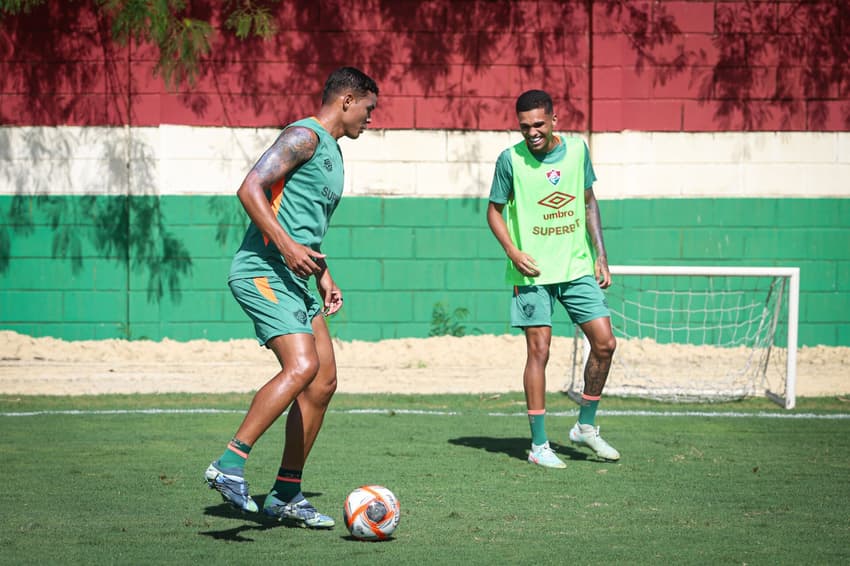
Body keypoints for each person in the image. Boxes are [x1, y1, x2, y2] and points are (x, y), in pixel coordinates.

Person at [204, 67, 379, 527]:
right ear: (347, 100)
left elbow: (305, 226)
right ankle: (229, 464)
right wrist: (284, 247)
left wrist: (324, 275)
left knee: (322, 382)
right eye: (368, 108)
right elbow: (249, 188)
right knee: (301, 367)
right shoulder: (304, 136)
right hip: (261, 269)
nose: (371, 118)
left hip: (298, 278)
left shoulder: (336, 155)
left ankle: (285, 493)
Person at [486, 89, 619, 468]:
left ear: (554, 120)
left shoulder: (578, 151)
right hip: (533, 274)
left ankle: (586, 427)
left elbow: (589, 200)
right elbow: (493, 212)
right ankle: (539, 445)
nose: (532, 132)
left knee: (605, 343)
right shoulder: (510, 160)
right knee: (539, 352)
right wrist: (513, 252)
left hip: (577, 268)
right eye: (525, 126)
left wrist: (601, 257)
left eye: (539, 124)